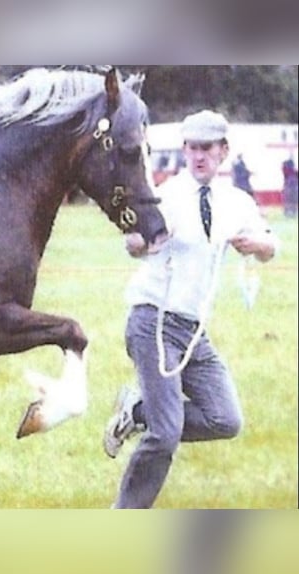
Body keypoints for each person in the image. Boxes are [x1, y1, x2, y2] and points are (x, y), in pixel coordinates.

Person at [103, 110, 279, 509]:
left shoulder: (236, 202)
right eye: (192, 148)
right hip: (152, 320)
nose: (199, 156)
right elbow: (131, 243)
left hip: (194, 332)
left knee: (226, 420)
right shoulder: (163, 195)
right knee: (166, 434)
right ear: (184, 150)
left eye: (207, 148)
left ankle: (137, 411)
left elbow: (270, 245)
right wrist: (146, 242)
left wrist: (260, 246)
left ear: (223, 151)